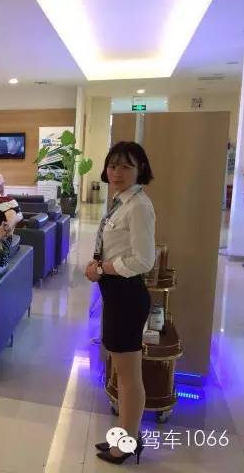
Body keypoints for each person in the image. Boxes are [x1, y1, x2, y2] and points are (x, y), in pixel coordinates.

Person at [86, 141, 155, 465]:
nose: (117, 172)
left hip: (127, 296)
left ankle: (127, 443)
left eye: (126, 166)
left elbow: (143, 260)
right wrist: (99, 266)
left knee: (128, 377)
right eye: (113, 165)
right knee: (123, 372)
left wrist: (102, 268)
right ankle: (127, 435)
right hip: (115, 294)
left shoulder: (138, 206)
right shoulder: (121, 201)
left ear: (140, 170)